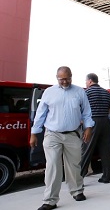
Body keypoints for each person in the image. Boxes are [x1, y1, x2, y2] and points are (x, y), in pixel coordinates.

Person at [30, 66, 95, 210]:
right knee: (53, 166)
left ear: (72, 76)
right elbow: (40, 114)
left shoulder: (79, 92)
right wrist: (34, 133)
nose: (65, 82)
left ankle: (77, 191)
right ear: (57, 78)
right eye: (62, 79)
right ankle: (50, 200)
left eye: (67, 78)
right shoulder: (49, 92)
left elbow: (86, 112)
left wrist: (88, 128)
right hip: (52, 134)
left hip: (73, 134)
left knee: (74, 165)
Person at [80, 73, 110, 183]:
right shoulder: (106, 92)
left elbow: (82, 109)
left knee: (87, 149)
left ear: (90, 81)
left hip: (92, 122)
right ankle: (106, 176)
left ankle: (79, 177)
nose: (86, 83)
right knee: (105, 150)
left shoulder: (87, 92)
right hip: (105, 121)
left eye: (86, 81)